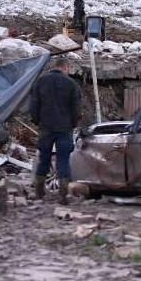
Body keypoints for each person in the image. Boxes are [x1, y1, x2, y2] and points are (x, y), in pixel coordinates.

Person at [30, 56, 82, 204]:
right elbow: (77, 110)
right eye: (68, 69)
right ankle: (63, 195)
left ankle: (39, 192)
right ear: (65, 67)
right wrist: (73, 123)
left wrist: (37, 121)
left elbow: (33, 106)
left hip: (46, 127)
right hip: (64, 128)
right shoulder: (71, 84)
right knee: (63, 161)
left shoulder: (41, 82)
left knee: (44, 159)